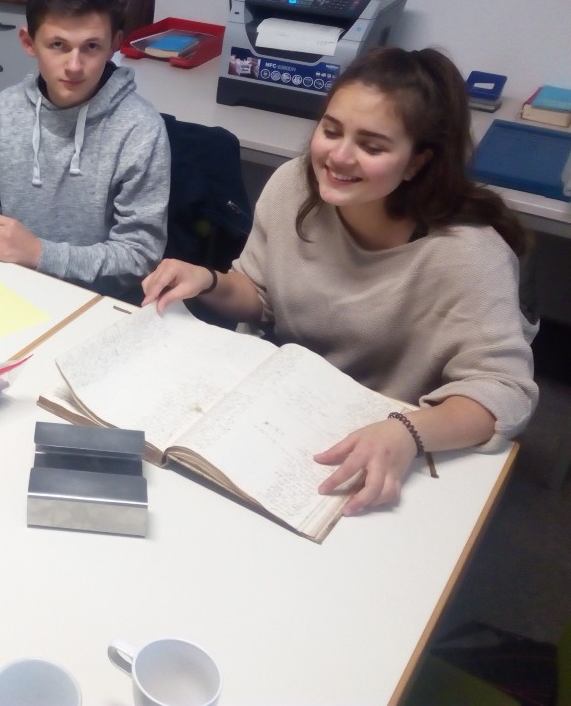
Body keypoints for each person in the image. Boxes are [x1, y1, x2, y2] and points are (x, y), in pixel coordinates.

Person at [141, 46, 537, 515]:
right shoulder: (294, 185)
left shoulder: (470, 255)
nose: (339, 156)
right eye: (331, 131)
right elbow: (261, 295)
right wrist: (208, 280)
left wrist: (406, 431)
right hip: (278, 415)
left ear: (417, 163)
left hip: (384, 440)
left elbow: (503, 393)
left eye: (372, 146)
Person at [0, 0, 170, 302]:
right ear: (28, 42)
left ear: (115, 43)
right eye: (58, 45)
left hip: (93, 302)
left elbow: (139, 254)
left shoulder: (140, 130)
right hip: (8, 282)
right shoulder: (1, 113)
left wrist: (39, 253)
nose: (74, 66)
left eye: (91, 47)